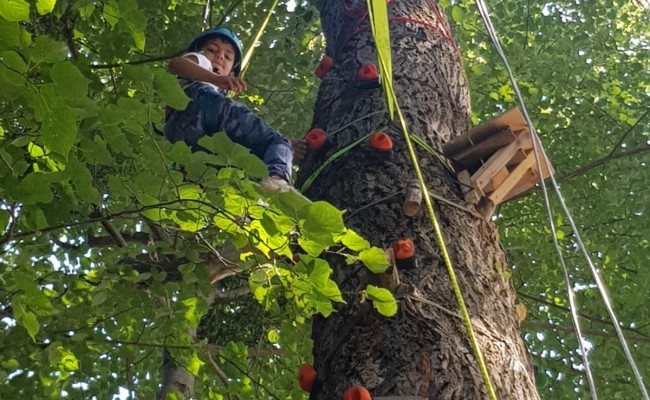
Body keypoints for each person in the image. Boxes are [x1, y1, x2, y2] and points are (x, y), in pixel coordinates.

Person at [164, 26, 299, 191]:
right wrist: (216, 79)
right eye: (212, 49)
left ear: (232, 74)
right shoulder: (201, 61)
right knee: (276, 141)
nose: (219, 56)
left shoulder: (205, 91)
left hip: (181, 133)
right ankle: (277, 181)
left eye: (227, 57)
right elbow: (176, 64)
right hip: (203, 102)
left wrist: (287, 151)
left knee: (220, 169)